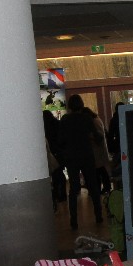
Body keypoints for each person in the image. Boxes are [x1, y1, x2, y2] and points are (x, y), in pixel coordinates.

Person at [57, 94, 102, 229]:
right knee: (93, 186)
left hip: (72, 157)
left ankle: (74, 221)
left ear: (70, 106)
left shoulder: (65, 120)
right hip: (87, 155)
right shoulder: (86, 118)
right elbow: (97, 137)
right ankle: (98, 215)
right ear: (81, 105)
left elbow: (60, 140)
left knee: (74, 188)